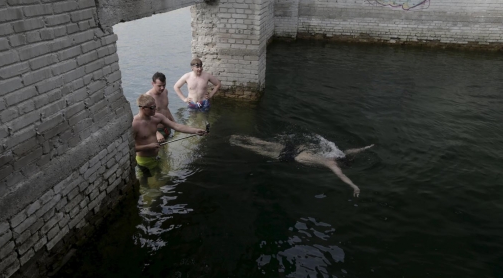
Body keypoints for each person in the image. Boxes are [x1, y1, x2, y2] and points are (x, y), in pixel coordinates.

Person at [230, 135, 374, 197]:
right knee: (262, 150)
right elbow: (341, 176)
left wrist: (366, 147)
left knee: (266, 144)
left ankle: (241, 137)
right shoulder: (332, 164)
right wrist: (354, 186)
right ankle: (239, 143)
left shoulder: (336, 153)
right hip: (295, 157)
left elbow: (351, 151)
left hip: (297, 148)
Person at [132, 94, 207, 176]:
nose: (155, 109)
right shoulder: (134, 124)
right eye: (152, 107)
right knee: (145, 183)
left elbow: (176, 126)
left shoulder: (157, 117)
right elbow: (130, 149)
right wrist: (149, 146)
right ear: (143, 108)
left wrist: (195, 131)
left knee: (158, 177)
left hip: (156, 157)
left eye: (155, 106)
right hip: (144, 161)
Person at [146, 72, 175, 143]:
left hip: (167, 126)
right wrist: (156, 133)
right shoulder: (148, 97)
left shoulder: (165, 92)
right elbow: (145, 118)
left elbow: (166, 108)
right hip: (156, 130)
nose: (162, 88)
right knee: (158, 152)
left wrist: (174, 123)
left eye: (164, 85)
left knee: (167, 150)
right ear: (153, 84)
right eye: (159, 86)